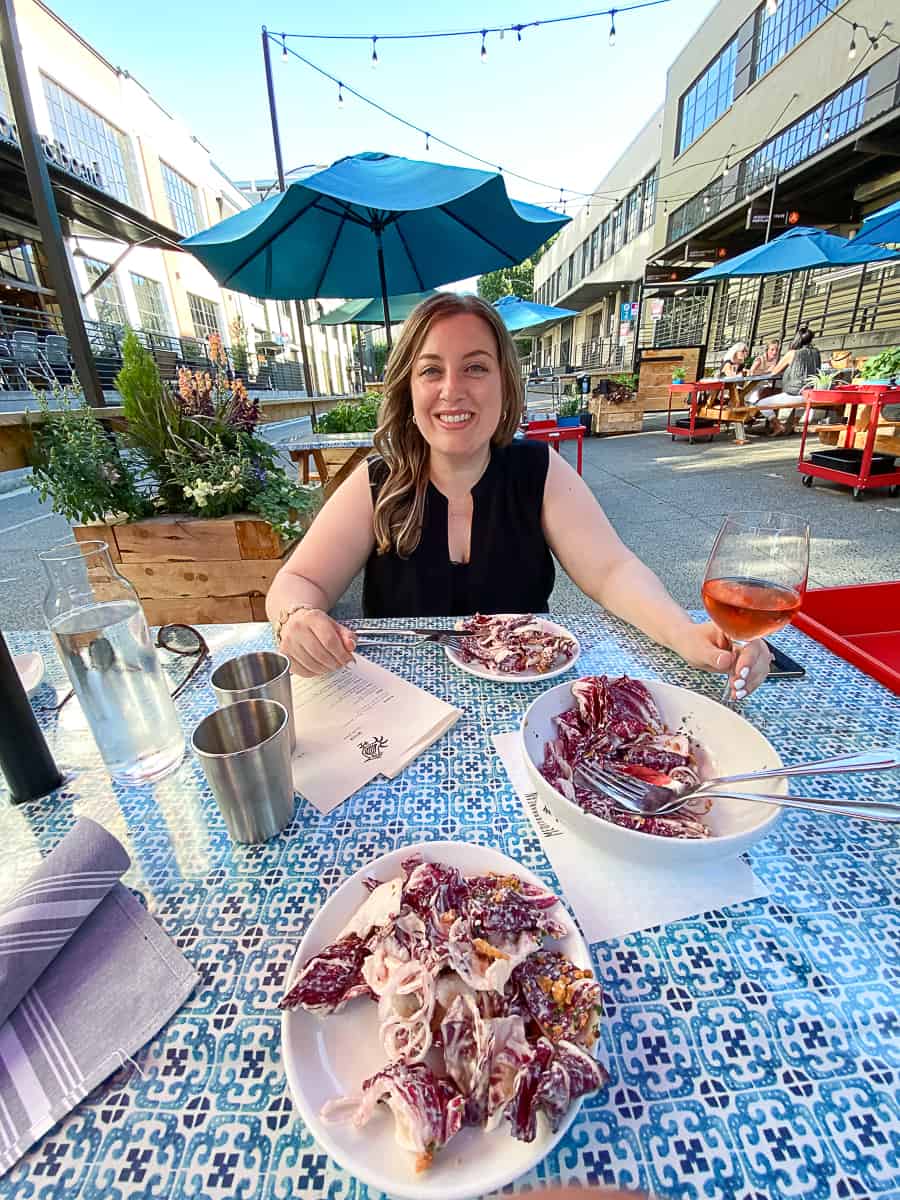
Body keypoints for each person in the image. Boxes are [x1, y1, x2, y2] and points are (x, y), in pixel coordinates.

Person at [266, 294, 770, 698]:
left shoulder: (538, 469)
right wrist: (298, 618)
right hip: (399, 708)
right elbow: (298, 580)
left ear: (505, 383)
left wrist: (685, 634)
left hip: (533, 705)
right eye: (431, 370)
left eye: (476, 368)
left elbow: (613, 571)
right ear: (408, 389)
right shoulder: (379, 480)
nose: (452, 390)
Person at [759, 325, 822, 435]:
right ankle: (793, 424)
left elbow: (774, 372)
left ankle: (778, 426)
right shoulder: (816, 353)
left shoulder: (792, 353)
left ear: (797, 339)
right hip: (811, 394)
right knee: (801, 401)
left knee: (761, 404)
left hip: (795, 394)